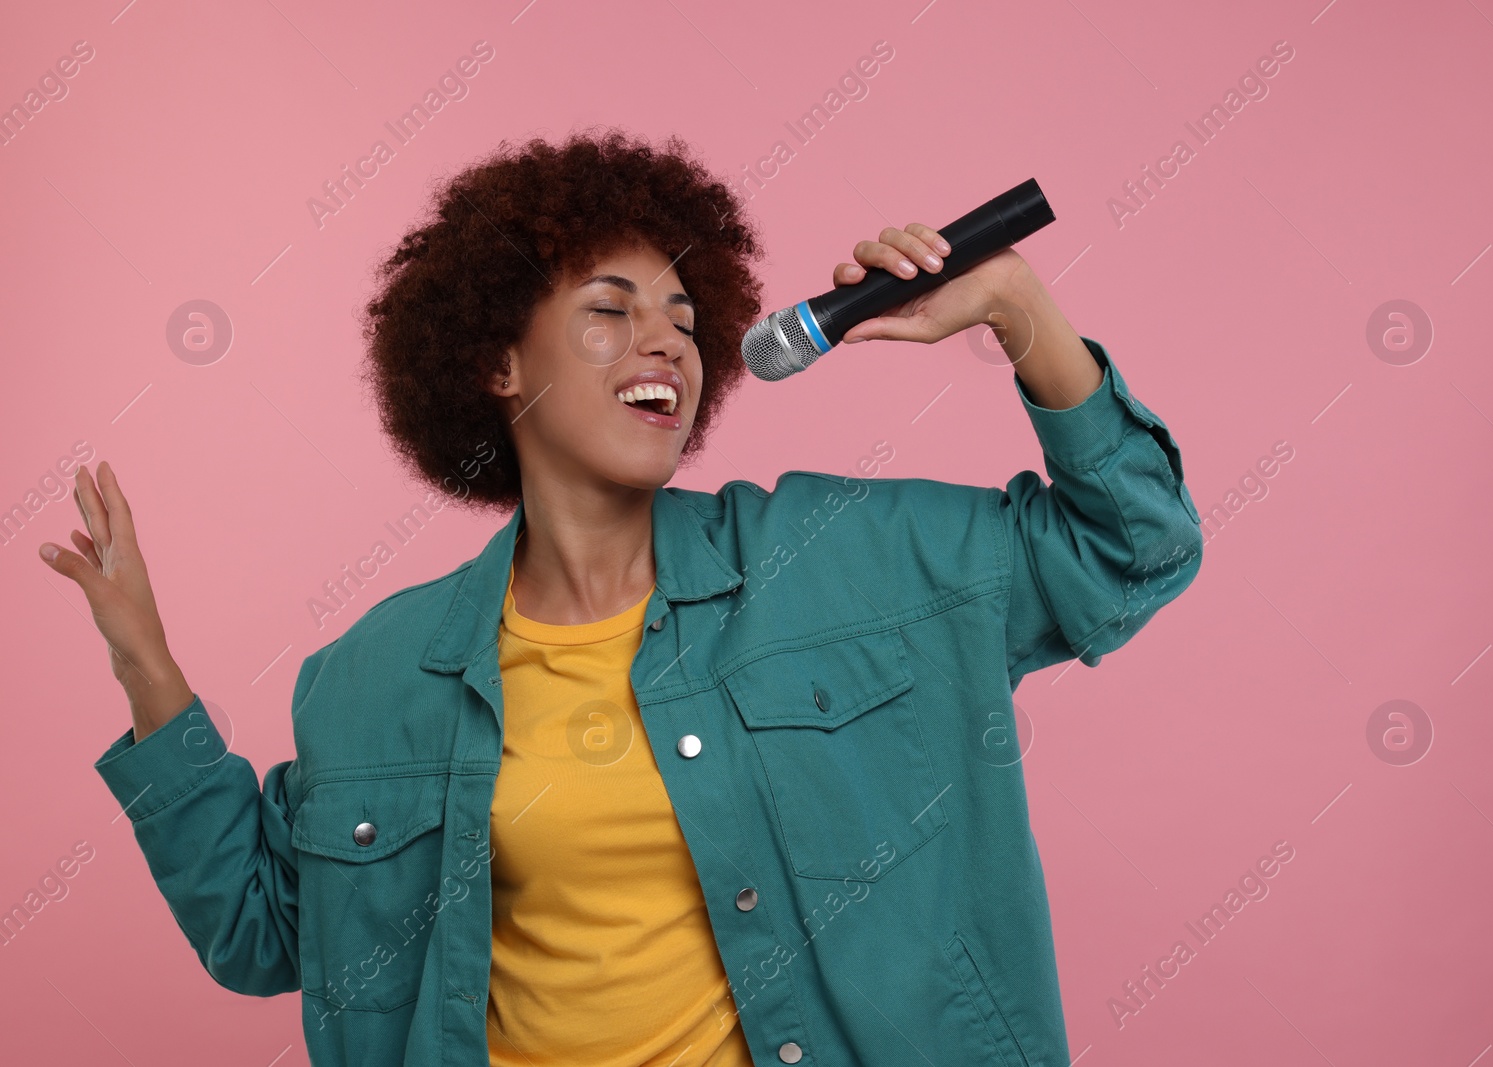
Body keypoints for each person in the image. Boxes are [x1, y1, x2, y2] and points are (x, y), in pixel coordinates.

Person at [39, 127, 1204, 1066]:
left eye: (686, 321)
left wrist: (1015, 310)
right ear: (498, 364)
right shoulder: (374, 678)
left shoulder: (840, 557)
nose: (668, 343)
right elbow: (263, 935)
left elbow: (1133, 547)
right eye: (611, 310)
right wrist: (145, 663)